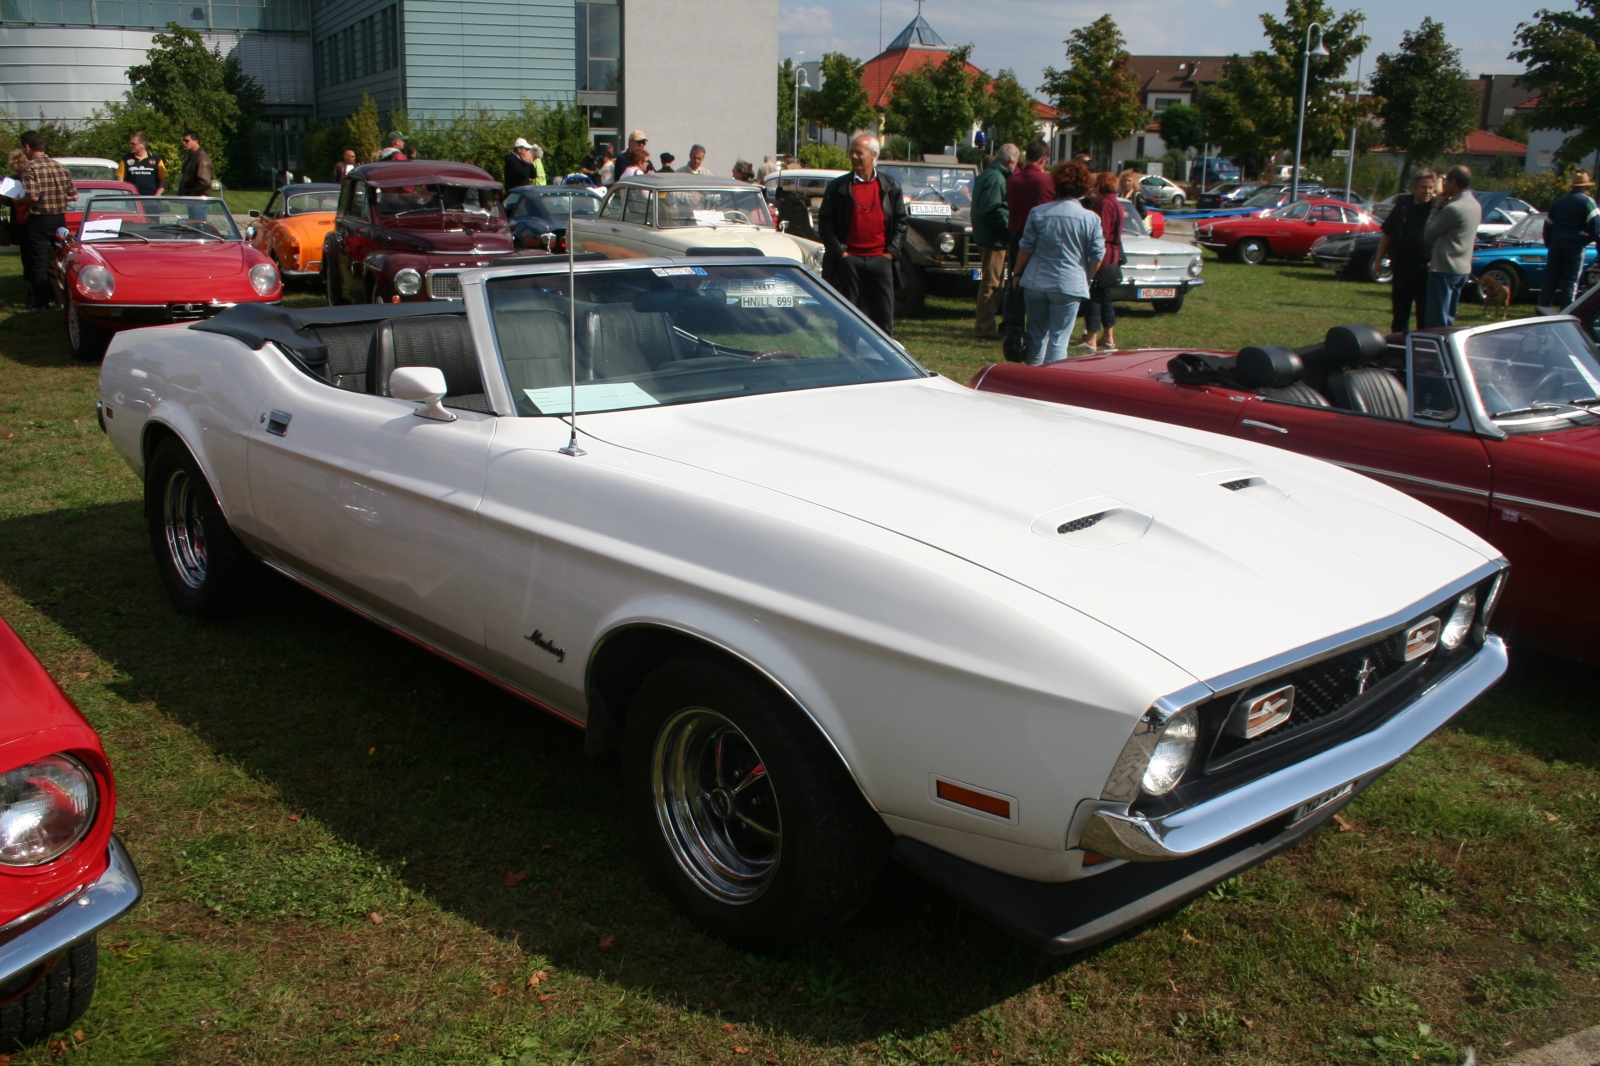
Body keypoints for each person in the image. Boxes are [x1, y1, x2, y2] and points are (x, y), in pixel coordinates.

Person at [1012, 161, 1104, 365]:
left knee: (1036, 336)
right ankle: (1051, 385)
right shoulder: (1091, 218)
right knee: (1059, 340)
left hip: (1036, 280)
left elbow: (1026, 248)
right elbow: (1097, 254)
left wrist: (1017, 273)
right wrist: (1088, 277)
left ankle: (1032, 382)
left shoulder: (1039, 212)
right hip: (1070, 283)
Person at [817, 133, 908, 335]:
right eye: (852, 152)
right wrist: (841, 253)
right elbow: (825, 222)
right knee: (848, 318)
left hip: (880, 261)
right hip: (850, 261)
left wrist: (891, 253)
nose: (854, 156)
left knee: (883, 318)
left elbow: (901, 222)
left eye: (860, 152)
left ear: (873, 155)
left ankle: (884, 363)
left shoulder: (890, 187)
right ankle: (848, 360)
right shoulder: (839, 187)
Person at [16, 131, 73, 313]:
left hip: (40, 219)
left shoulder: (30, 168)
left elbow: (33, 196)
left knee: (38, 262)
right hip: (59, 219)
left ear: (27, 147)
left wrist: (18, 200)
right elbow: (73, 195)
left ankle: (42, 303)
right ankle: (63, 299)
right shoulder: (60, 167)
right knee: (60, 261)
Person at [1003, 140, 1056, 331]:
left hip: (1017, 234)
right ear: (1043, 159)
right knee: (1041, 283)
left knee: (1015, 281)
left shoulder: (1013, 180)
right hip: (1042, 238)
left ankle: (1012, 323)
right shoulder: (1048, 181)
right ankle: (1038, 324)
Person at [1375, 169, 1436, 333]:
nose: (1427, 192)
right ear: (1414, 188)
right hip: (1402, 266)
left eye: (1431, 188)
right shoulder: (1403, 206)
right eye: (1423, 187)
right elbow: (1387, 234)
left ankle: (1423, 350)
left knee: (1424, 316)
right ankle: (1399, 350)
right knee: (1400, 314)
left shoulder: (1437, 208)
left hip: (1426, 268)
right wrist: (1377, 261)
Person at [1423, 165, 1482, 328]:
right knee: (1448, 317)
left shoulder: (1454, 208)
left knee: (1437, 322)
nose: (1444, 184)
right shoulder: (1475, 204)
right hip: (1462, 268)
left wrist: (1436, 207)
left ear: (1454, 182)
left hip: (1444, 269)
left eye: (1445, 180)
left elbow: (1429, 233)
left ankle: (1437, 350)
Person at [970, 142, 1017, 339]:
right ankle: (984, 328)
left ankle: (986, 325)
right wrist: (1010, 227)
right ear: (1010, 161)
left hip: (988, 236)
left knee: (993, 282)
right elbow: (992, 210)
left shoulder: (987, 175)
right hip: (993, 239)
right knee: (992, 283)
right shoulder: (997, 179)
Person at [1538, 171, 1600, 314]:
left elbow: (1547, 225)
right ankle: (1566, 312)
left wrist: (1550, 243)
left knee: (1550, 280)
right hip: (1575, 245)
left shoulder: (1559, 202)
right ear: (1585, 187)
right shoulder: (1587, 201)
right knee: (1570, 281)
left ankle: (1542, 309)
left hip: (1556, 244)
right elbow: (1595, 224)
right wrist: (1589, 239)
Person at [1080, 171, 1125, 351]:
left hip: (1103, 256)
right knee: (1105, 298)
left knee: (1093, 297)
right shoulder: (1116, 202)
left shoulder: (1105, 204)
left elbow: (1101, 231)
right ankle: (1109, 337)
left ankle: (1091, 338)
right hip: (1113, 254)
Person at [178, 130, 213, 196]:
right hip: (193, 200)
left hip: (199, 200)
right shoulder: (193, 156)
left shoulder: (202, 158)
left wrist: (192, 194)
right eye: (183, 141)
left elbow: (204, 182)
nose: (184, 143)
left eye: (187, 141)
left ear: (196, 141)